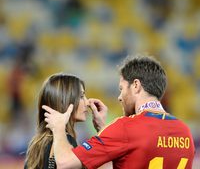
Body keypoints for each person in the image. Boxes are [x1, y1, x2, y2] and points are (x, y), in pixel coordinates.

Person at [42, 55, 195, 169]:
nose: (119, 97)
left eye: (122, 89)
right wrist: (104, 130)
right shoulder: (185, 131)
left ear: (136, 85)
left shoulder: (125, 127)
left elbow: (64, 162)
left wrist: (59, 128)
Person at [24, 73, 110, 169]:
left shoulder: (37, 143)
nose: (87, 102)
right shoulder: (65, 142)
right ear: (64, 101)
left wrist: (101, 128)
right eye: (81, 97)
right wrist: (103, 128)